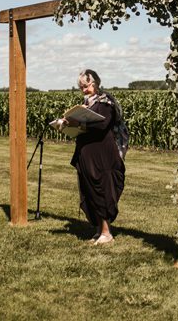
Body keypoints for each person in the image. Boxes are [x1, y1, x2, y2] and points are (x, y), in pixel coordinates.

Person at [56, 69, 125, 245]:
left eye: (86, 86)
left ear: (95, 83)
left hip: (102, 153)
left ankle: (106, 232)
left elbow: (102, 125)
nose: (84, 90)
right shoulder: (86, 104)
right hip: (87, 152)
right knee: (89, 190)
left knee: (101, 189)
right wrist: (67, 124)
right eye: (81, 88)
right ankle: (99, 230)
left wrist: (78, 123)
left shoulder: (105, 103)